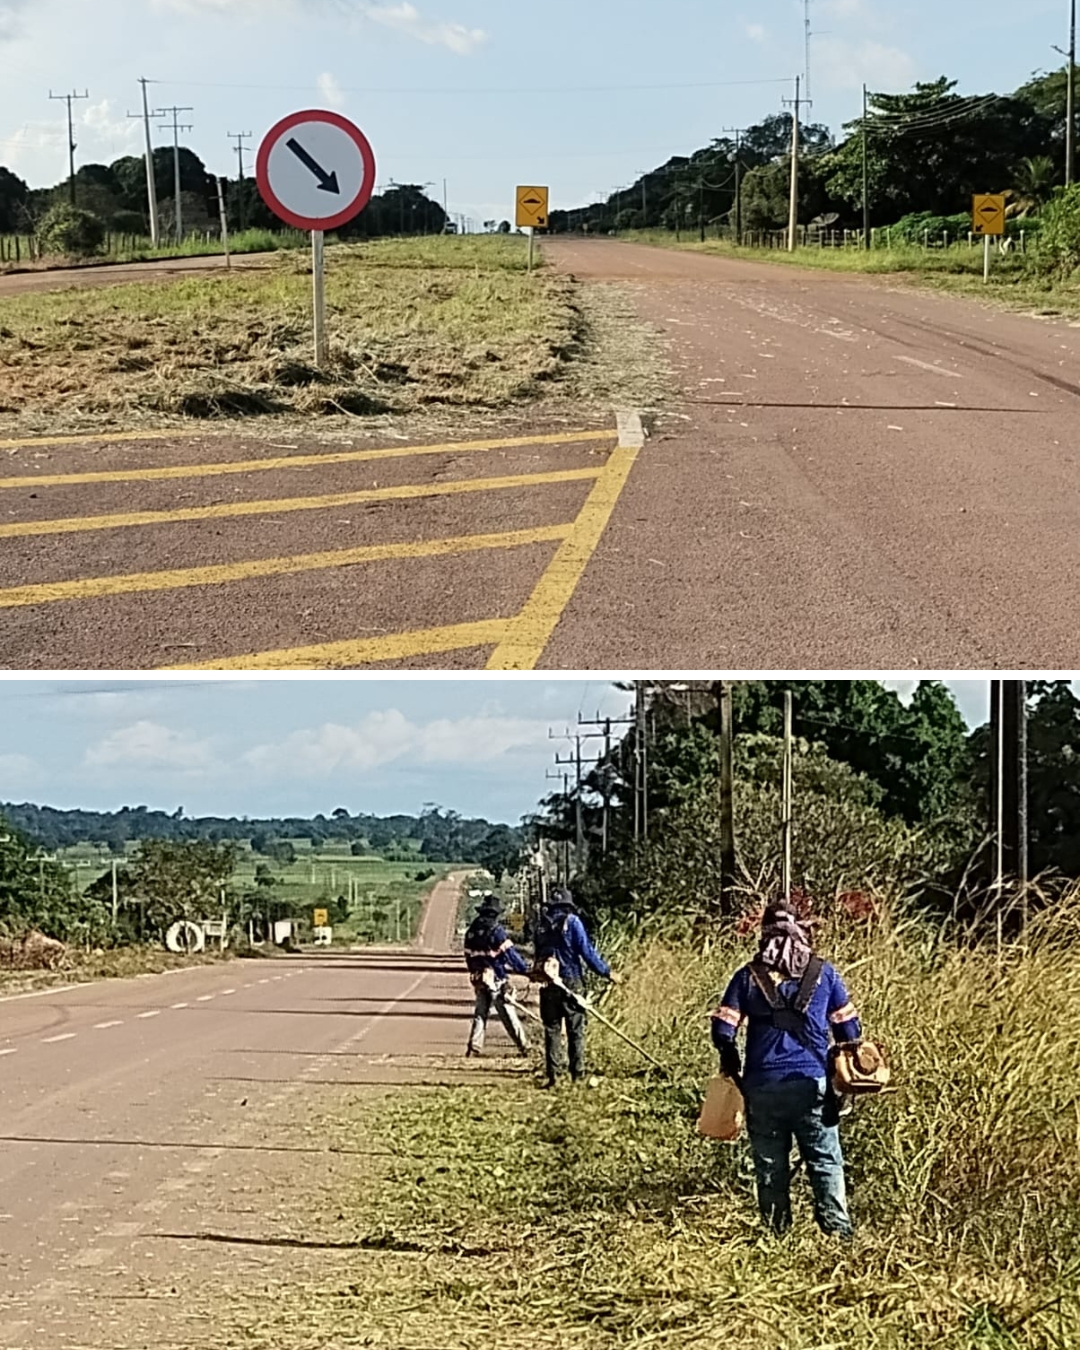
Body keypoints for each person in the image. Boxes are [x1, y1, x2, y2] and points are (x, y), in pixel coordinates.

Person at [710, 903, 861, 1239]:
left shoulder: (747, 976)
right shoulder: (824, 973)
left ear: (764, 935)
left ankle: (777, 1233)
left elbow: (723, 1030)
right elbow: (850, 1032)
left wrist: (731, 1059)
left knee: (769, 1165)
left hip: (762, 1085)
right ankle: (838, 1234)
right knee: (824, 1162)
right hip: (812, 1085)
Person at [534, 887, 618, 1088]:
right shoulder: (572, 922)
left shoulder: (542, 926)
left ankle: (554, 1076)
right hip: (571, 981)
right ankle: (577, 1075)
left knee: (552, 1029)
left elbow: (537, 953)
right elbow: (587, 952)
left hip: (548, 982)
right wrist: (607, 972)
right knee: (575, 1029)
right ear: (568, 905)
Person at [463, 895, 529, 1058]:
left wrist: (474, 972)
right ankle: (524, 1047)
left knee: (480, 1012)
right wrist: (525, 970)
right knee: (507, 1012)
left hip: (479, 977)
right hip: (496, 978)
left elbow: (468, 956)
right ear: (495, 914)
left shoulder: (471, 931)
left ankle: (474, 1046)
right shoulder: (496, 931)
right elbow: (511, 955)